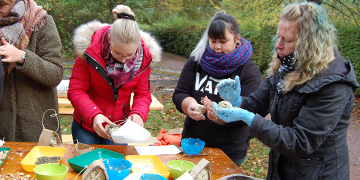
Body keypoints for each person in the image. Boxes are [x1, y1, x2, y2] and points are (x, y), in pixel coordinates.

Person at [213, 2, 359, 179]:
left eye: (287, 40)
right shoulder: (287, 67)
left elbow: (300, 141)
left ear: (309, 45)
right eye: (278, 37)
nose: (278, 45)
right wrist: (238, 102)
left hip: (318, 173)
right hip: (283, 168)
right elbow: (257, 103)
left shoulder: (333, 84)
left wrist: (248, 118)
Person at [172, 11, 262, 166]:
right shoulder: (197, 60)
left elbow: (250, 113)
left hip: (229, 151)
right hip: (192, 144)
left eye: (223, 41)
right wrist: (190, 106)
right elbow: (180, 93)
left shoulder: (249, 71)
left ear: (237, 39)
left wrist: (219, 117)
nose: (217, 47)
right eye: (212, 41)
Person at [68, 4, 161, 145]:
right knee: (85, 165)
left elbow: (143, 94)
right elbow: (76, 90)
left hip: (119, 128)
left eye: (130, 55)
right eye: (117, 53)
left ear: (138, 46)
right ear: (110, 39)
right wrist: (94, 115)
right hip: (86, 125)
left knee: (115, 165)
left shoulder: (144, 59)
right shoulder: (89, 51)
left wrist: (138, 113)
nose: (123, 60)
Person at [0, 0, 63, 142]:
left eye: (1, 5)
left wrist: (23, 57)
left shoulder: (41, 21)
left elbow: (55, 73)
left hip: (37, 124)